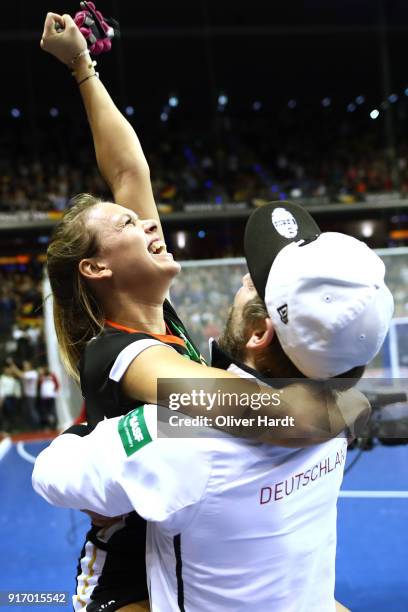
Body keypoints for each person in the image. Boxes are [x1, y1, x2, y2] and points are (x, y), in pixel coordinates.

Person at [38, 11, 370, 612]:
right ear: (97, 269)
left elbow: (127, 170)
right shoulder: (118, 353)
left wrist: (82, 67)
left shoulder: (158, 317)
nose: (145, 223)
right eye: (126, 224)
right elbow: (245, 406)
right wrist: (339, 401)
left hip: (193, 544)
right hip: (132, 578)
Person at [33, 201, 394, 611]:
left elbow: (51, 475)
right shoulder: (337, 411)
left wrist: (80, 436)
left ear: (260, 332)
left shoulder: (173, 436)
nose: (243, 276)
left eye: (255, 284)